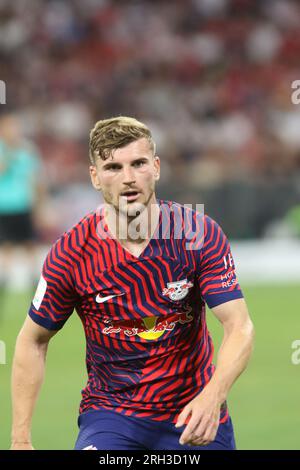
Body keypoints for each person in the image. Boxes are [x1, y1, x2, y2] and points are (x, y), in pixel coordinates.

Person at [11, 116, 254, 450]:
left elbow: (239, 326)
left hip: (194, 412)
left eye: (138, 163)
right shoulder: (72, 252)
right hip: (112, 415)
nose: (128, 179)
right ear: (95, 177)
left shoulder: (197, 234)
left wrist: (214, 396)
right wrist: (20, 438)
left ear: (155, 167)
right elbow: (32, 341)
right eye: (113, 167)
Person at [0, 111, 44, 305]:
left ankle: (36, 290)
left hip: (24, 206)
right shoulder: (3, 150)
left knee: (30, 247)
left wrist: (40, 206)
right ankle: (3, 287)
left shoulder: (27, 150)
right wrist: (9, 153)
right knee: (5, 249)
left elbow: (35, 180)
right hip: (4, 207)